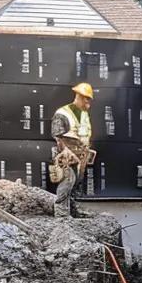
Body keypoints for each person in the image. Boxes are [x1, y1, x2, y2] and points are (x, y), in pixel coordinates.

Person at [50, 82, 95, 219]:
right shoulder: (63, 113)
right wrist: (66, 151)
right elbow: (57, 134)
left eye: (89, 98)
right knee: (67, 181)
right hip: (65, 154)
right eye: (85, 98)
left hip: (80, 155)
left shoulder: (84, 114)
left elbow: (85, 133)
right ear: (79, 96)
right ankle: (61, 212)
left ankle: (73, 210)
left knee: (77, 183)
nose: (87, 101)